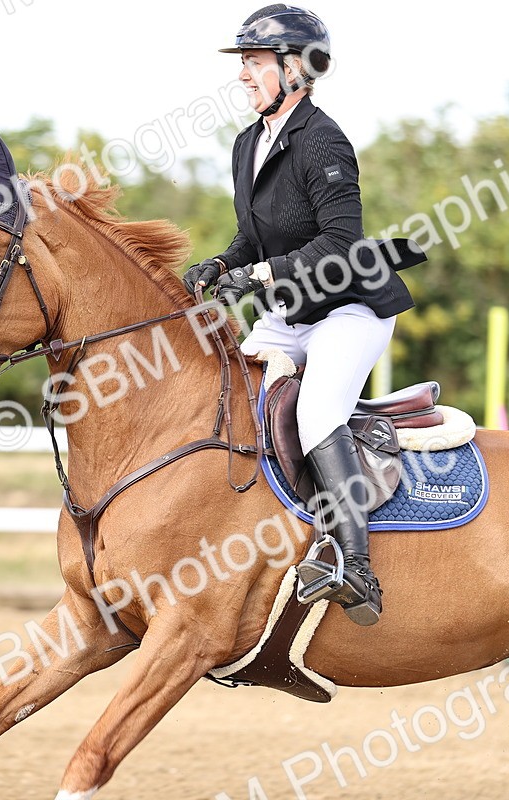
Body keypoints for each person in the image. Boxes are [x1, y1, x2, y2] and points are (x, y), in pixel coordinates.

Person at [183, 4, 423, 626]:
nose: (243, 75)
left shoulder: (325, 140)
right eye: (244, 62)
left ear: (297, 68)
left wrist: (259, 276)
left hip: (350, 308)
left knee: (317, 410)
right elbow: (252, 240)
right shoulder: (247, 144)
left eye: (254, 62)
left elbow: (342, 241)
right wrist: (220, 264)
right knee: (225, 392)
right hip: (292, 312)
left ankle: (355, 567)